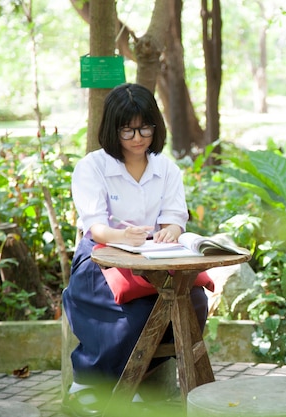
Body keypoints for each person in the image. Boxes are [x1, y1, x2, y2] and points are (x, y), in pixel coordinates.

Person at [62, 83, 209, 417]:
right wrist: (120, 235)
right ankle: (88, 386)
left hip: (154, 259)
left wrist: (172, 229)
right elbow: (94, 225)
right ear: (112, 130)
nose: (138, 138)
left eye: (145, 128)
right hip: (102, 257)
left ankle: (143, 380)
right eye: (127, 130)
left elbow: (174, 218)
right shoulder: (93, 166)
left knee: (194, 302)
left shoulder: (166, 168)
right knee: (134, 315)